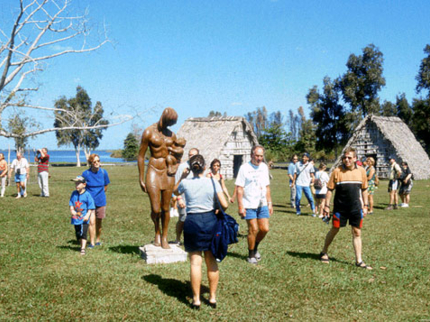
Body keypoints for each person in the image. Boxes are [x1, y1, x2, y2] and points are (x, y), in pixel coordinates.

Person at [174, 154, 228, 309]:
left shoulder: (185, 182)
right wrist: (218, 209)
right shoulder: (212, 182)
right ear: (205, 167)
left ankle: (196, 299)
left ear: (190, 168)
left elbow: (175, 191)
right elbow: (225, 204)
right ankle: (212, 298)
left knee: (195, 263)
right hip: (210, 221)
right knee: (211, 261)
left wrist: (182, 176)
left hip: (192, 221)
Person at [320, 147, 372, 270]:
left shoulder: (361, 171)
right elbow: (329, 190)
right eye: (345, 157)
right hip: (340, 208)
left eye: (349, 157)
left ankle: (359, 260)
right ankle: (324, 251)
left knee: (357, 232)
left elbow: (364, 189)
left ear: (355, 158)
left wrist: (365, 206)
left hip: (356, 208)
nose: (346, 160)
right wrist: (326, 206)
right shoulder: (337, 171)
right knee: (335, 229)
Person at [138, 107, 181, 249]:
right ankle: (157, 231)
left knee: (166, 208)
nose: (170, 126)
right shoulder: (149, 132)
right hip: (153, 170)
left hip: (167, 172)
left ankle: (164, 237)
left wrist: (175, 166)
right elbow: (141, 156)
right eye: (169, 123)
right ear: (164, 118)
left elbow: (178, 154)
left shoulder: (172, 136)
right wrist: (141, 178)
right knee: (156, 209)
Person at [235, 145, 273, 265]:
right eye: (257, 155)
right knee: (253, 229)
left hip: (262, 203)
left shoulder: (264, 168)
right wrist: (241, 205)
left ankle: (255, 246)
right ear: (252, 155)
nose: (259, 158)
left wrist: (270, 203)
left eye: (261, 156)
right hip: (249, 203)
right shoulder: (244, 168)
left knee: (264, 229)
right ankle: (251, 254)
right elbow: (239, 188)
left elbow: (267, 186)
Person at [82, 154, 110, 248]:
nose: (97, 163)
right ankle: (92, 242)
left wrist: (100, 193)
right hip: (90, 202)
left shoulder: (103, 172)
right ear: (91, 163)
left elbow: (106, 186)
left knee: (99, 222)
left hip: (101, 201)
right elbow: (82, 186)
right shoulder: (86, 174)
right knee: (91, 222)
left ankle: (98, 239)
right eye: (95, 162)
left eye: (98, 161)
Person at [174, 148, 199, 245]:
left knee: (194, 219)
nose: (191, 156)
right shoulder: (183, 167)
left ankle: (191, 239)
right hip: (183, 197)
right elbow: (177, 183)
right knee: (183, 218)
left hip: (195, 197)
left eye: (193, 155)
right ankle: (178, 238)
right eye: (190, 155)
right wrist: (179, 198)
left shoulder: (199, 167)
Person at [69, 176, 95, 256]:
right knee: (78, 234)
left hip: (84, 219)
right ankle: (81, 244)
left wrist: (87, 215)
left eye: (78, 183)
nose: (76, 185)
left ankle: (82, 248)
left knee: (83, 233)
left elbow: (91, 207)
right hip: (76, 218)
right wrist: (72, 210)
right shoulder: (74, 194)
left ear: (84, 184)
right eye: (75, 183)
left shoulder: (87, 195)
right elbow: (71, 204)